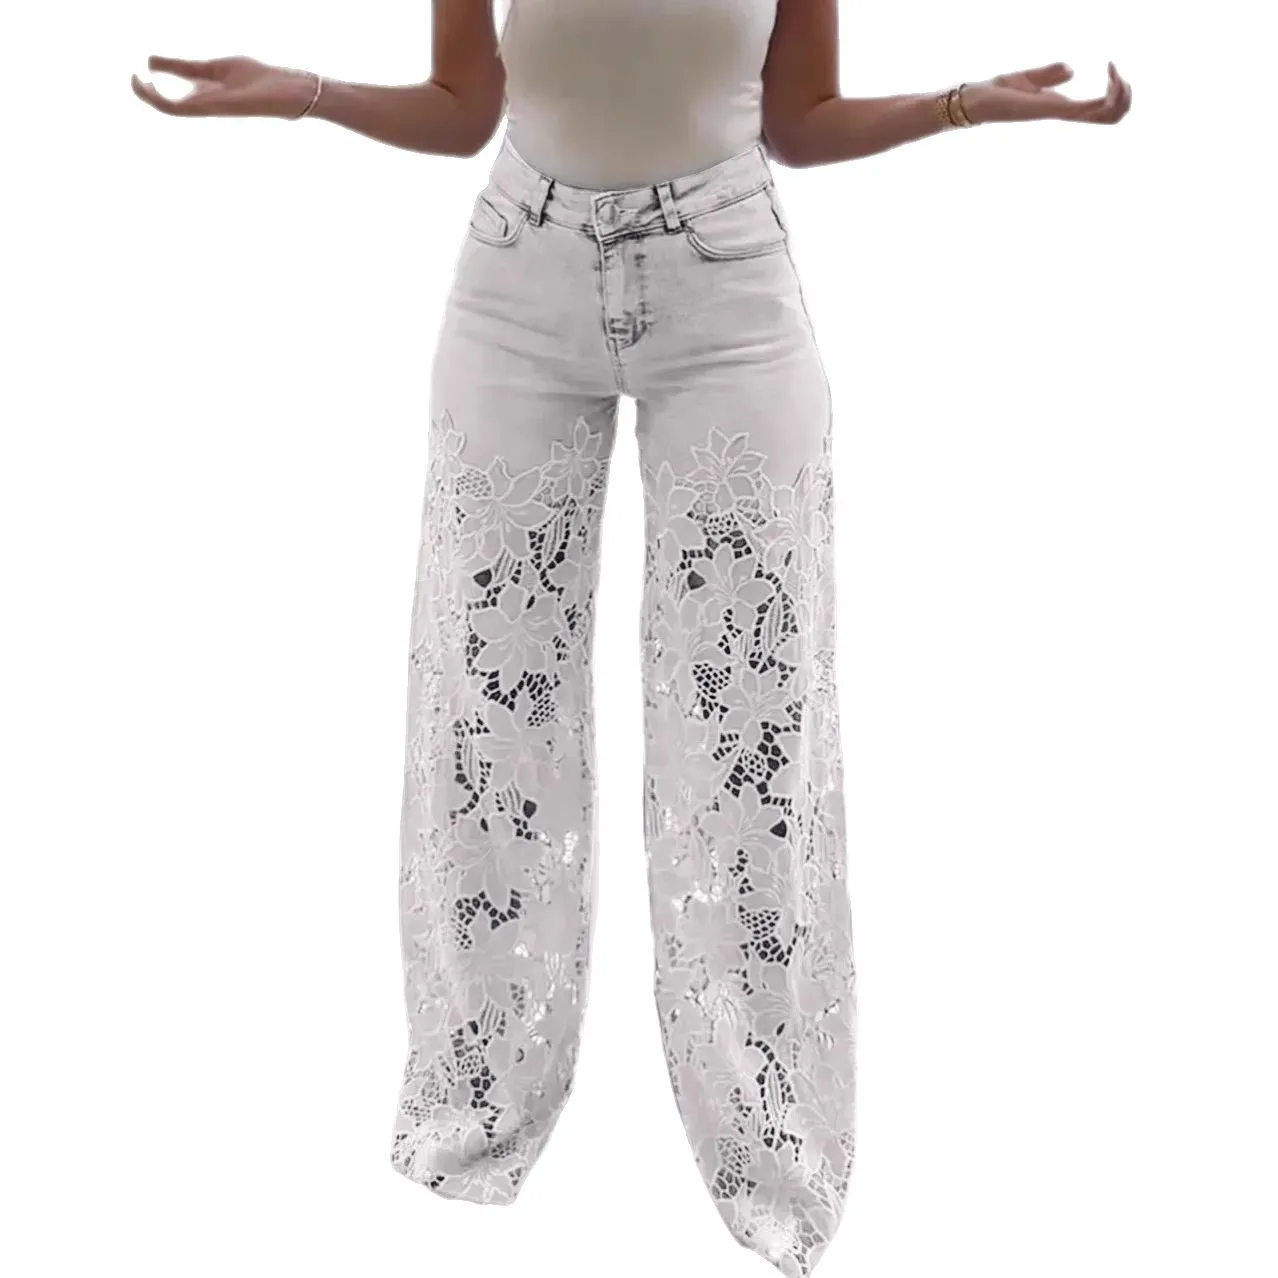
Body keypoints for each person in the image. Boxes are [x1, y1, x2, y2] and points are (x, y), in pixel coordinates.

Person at [132, 4, 1130, 1274]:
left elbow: (800, 123)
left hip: (729, 294)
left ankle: (771, 1154)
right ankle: (474, 1116)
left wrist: (963, 105)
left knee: (747, 733)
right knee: (489, 716)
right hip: (516, 282)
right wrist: (305, 91)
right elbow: (462, 108)